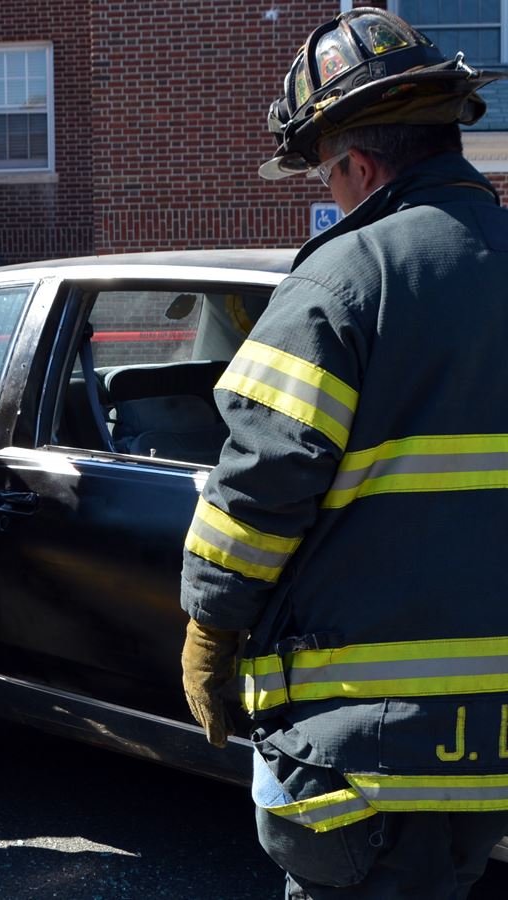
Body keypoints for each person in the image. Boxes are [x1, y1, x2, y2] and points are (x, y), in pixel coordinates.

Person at [179, 9, 508, 898]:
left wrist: (210, 626)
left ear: (356, 166)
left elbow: (257, 488)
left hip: (360, 755)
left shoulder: (342, 281)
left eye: (322, 172)